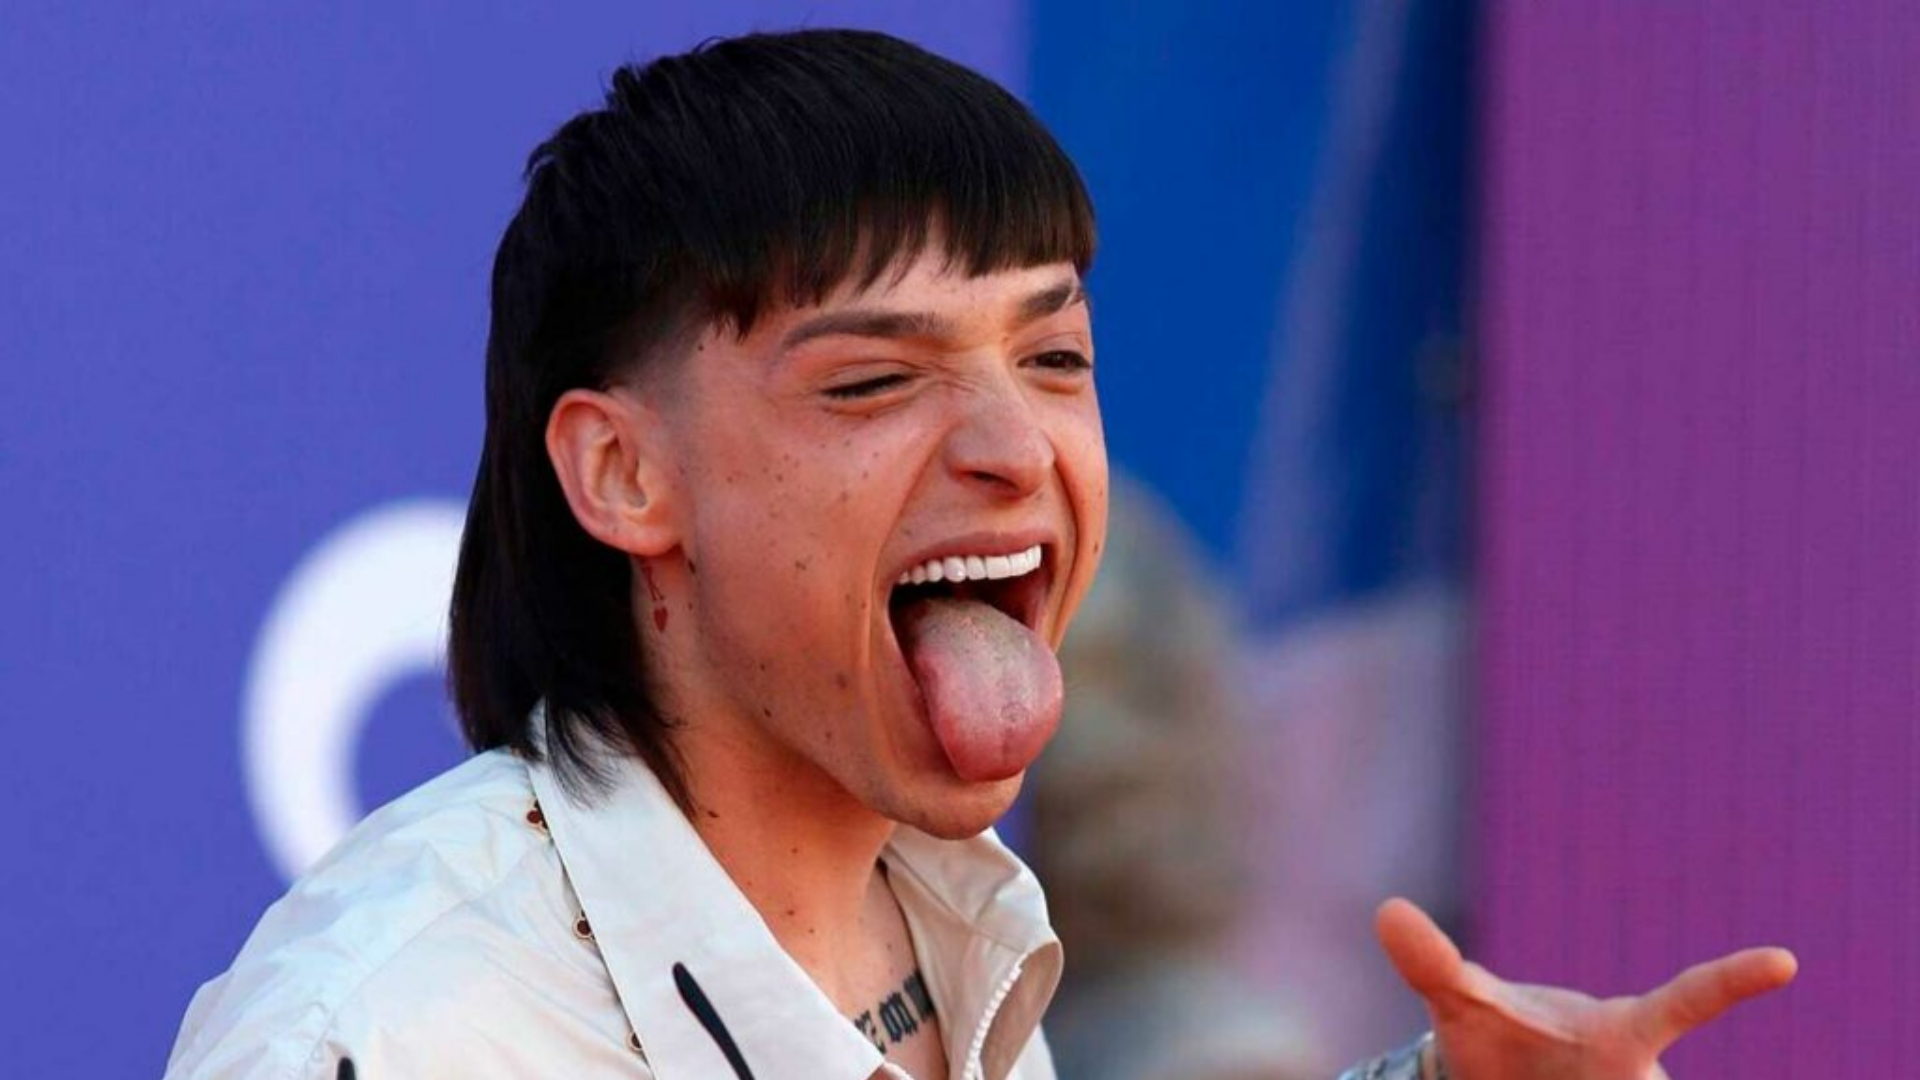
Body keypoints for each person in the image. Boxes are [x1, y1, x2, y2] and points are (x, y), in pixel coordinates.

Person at [164, 29, 1794, 1080]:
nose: (1018, 451)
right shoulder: (395, 1034)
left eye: (1056, 359)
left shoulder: (945, 908)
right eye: (874, 383)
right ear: (622, 472)